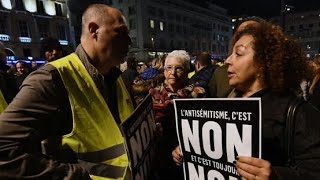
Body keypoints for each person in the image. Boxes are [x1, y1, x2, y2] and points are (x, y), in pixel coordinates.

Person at [0, 4, 134, 179]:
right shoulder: (51, 79)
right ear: (94, 30)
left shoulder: (115, 76)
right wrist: (75, 176)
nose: (129, 41)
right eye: (121, 33)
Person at [173, 21, 320, 179]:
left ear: (264, 61)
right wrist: (190, 149)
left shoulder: (297, 113)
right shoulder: (226, 100)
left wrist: (276, 176)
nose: (228, 60)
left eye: (239, 53)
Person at [149, 50, 205, 180]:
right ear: (164, 71)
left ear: (187, 72)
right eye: (169, 68)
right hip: (158, 157)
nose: (172, 73)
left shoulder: (198, 94)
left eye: (178, 68)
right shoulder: (152, 93)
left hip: (185, 157)